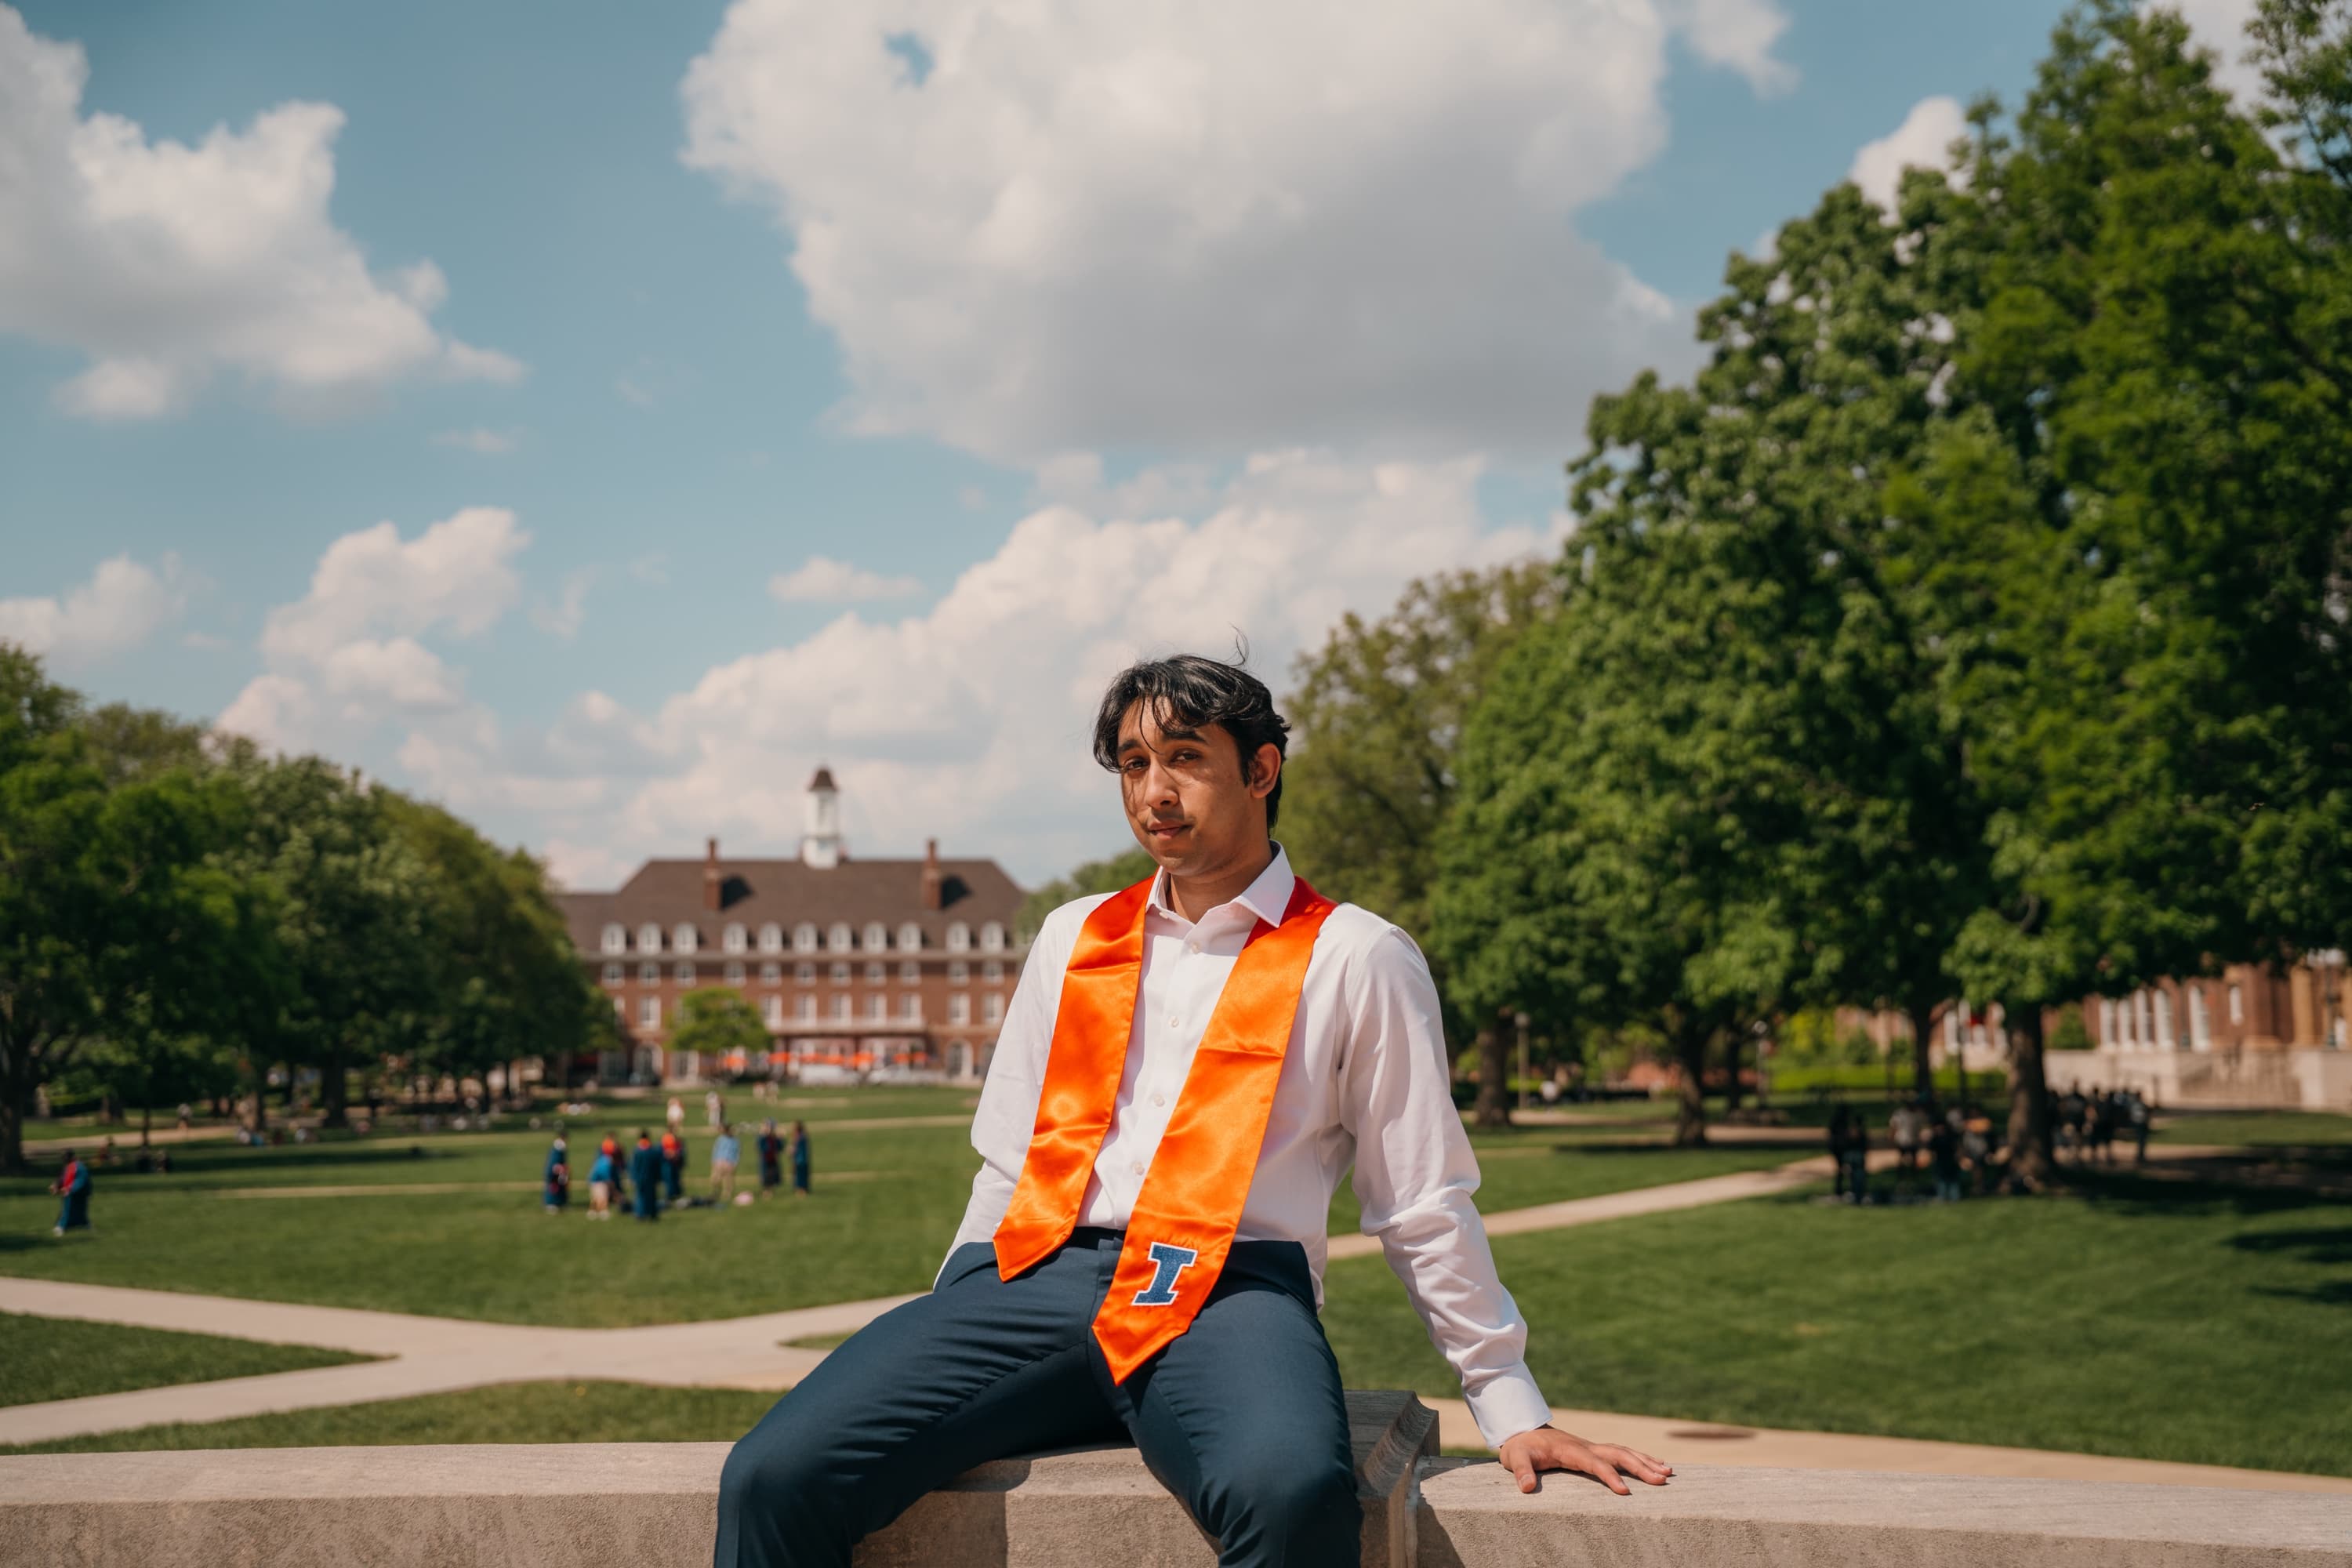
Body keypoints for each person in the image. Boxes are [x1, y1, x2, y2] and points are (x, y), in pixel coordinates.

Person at [713, 654, 1671, 1568]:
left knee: (1289, 1489)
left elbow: (1421, 1195)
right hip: (1039, 1272)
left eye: (1184, 759)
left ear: (1261, 770)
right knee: (773, 1473)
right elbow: (1009, 1155)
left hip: (1229, 1291)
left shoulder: (1355, 955)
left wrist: (1509, 1399)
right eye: (1134, 763)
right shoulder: (1074, 937)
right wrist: (962, 1314)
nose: (1153, 791)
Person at [51, 1149, 93, 1236]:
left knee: (77, 1210)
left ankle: (80, 1225)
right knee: (70, 1210)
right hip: (71, 1192)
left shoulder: (79, 1167)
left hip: (79, 1191)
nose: (64, 1160)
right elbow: (63, 1177)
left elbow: (81, 1180)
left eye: (65, 1157)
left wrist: (69, 1189)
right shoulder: (69, 1167)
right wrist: (56, 1185)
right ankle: (63, 1226)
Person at [629, 1131, 664, 1222]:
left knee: (640, 1196)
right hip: (651, 1177)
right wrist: (659, 1177)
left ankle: (640, 1214)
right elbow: (658, 1165)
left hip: (639, 1178)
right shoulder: (653, 1150)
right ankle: (652, 1213)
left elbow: (632, 1166)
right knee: (652, 1196)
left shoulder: (636, 1151)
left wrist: (633, 1178)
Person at [1927, 1116, 1962, 1202]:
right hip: (1940, 1162)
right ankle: (1942, 1196)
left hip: (1951, 1161)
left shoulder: (1951, 1137)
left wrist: (1958, 1157)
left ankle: (1954, 1197)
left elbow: (1958, 1148)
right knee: (1941, 1180)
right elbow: (1932, 1152)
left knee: (1953, 1180)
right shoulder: (1934, 1139)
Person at [1827, 1103, 1856, 1201]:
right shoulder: (1843, 1121)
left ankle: (1840, 1189)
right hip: (1841, 1148)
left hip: (1836, 1148)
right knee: (1847, 1168)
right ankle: (1851, 1188)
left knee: (1841, 1168)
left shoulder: (1835, 1120)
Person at [712, 1123, 742, 1206]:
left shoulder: (735, 1141)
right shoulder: (721, 1139)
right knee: (715, 1179)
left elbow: (738, 1153)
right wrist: (715, 1161)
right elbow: (716, 1150)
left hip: (729, 1162)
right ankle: (716, 1192)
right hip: (719, 1162)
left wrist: (735, 1163)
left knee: (728, 1180)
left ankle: (727, 1194)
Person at [588, 1140, 618, 1219]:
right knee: (603, 1197)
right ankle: (603, 1212)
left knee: (595, 1197)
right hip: (600, 1181)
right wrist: (611, 1186)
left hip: (594, 1180)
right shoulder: (608, 1160)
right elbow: (605, 1173)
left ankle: (593, 1212)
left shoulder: (601, 1158)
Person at [544, 1135, 571, 1214]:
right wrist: (561, 1169)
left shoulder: (560, 1149)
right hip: (554, 1174)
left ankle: (560, 1203)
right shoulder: (557, 1149)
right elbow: (554, 1164)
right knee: (554, 1189)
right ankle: (551, 1204)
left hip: (559, 1173)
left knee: (561, 1188)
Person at [757, 1120, 784, 1197]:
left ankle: (770, 1191)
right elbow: (760, 1147)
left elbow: (780, 1148)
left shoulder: (775, 1138)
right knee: (766, 1176)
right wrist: (763, 1134)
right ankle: (766, 1192)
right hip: (766, 1160)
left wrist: (780, 1138)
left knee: (772, 1176)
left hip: (773, 1159)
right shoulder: (763, 1137)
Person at [662, 1127, 687, 1203]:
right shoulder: (667, 1138)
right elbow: (664, 1150)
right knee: (670, 1179)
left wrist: (676, 1154)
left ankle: (676, 1194)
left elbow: (680, 1149)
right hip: (669, 1162)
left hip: (675, 1162)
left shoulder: (675, 1139)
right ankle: (671, 1195)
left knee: (675, 1179)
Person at [786, 1120, 811, 1198]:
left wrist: (790, 1151)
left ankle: (801, 1191)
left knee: (799, 1176)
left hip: (799, 1160)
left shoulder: (799, 1138)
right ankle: (802, 1190)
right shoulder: (803, 1137)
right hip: (803, 1160)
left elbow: (794, 1150)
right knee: (802, 1175)